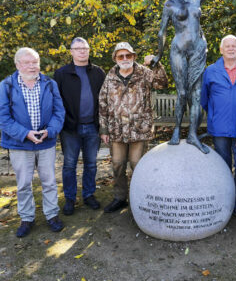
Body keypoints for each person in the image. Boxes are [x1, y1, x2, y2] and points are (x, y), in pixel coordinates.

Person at [151, 0, 221, 154]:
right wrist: (158, 54)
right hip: (179, 51)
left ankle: (192, 134)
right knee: (182, 93)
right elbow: (162, 32)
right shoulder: (170, 3)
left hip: (197, 50)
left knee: (197, 95)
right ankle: (176, 129)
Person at [0, 48, 65, 237]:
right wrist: (25, 133)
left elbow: (59, 112)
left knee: (50, 182)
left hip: (46, 142)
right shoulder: (6, 86)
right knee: (23, 184)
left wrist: (50, 131)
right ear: (18, 64)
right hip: (20, 144)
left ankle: (52, 215)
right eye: (27, 62)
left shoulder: (50, 84)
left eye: (35, 62)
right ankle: (27, 218)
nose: (32, 66)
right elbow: (3, 118)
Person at [99, 42, 168, 213]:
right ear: (115, 58)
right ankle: (120, 198)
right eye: (120, 56)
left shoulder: (144, 73)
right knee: (117, 164)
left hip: (139, 129)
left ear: (134, 57)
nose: (125, 59)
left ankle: (141, 198)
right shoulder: (110, 77)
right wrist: (104, 130)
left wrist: (156, 63)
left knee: (138, 164)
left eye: (128, 55)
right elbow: (103, 103)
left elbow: (162, 83)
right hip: (116, 130)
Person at [201, 34, 236, 224]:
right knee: (222, 169)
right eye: (228, 46)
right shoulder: (211, 71)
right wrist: (217, 114)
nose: (231, 48)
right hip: (219, 130)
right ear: (221, 50)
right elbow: (204, 100)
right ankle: (223, 204)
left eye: (234, 46)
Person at [54, 37, 106, 215]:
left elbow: (104, 100)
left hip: (93, 126)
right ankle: (70, 198)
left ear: (89, 50)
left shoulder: (98, 72)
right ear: (71, 52)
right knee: (69, 165)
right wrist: (64, 123)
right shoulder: (62, 73)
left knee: (91, 164)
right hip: (70, 128)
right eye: (78, 49)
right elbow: (56, 101)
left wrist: (102, 126)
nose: (82, 51)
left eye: (85, 48)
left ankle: (89, 195)